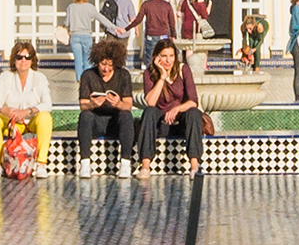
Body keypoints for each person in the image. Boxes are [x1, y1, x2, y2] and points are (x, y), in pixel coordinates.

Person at [76, 35, 143, 173]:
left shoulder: (123, 75)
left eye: (110, 65)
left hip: (116, 122)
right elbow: (83, 105)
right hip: (96, 121)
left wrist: (118, 103)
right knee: (85, 116)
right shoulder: (88, 75)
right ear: (96, 61)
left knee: (126, 115)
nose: (106, 69)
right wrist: (92, 104)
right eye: (103, 64)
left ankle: (125, 163)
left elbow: (128, 105)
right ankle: (85, 164)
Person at [0, 40, 51, 179]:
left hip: (30, 123)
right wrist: (3, 110)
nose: (23, 61)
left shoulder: (39, 78)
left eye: (27, 57)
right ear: (14, 59)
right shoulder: (5, 77)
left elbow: (47, 104)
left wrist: (27, 111)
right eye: (19, 57)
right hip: (10, 124)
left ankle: (41, 163)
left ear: (32, 60)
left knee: (45, 117)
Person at [139, 36, 206, 166]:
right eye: (164, 56)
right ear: (157, 57)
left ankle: (194, 165)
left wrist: (177, 109)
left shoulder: (183, 69)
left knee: (194, 112)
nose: (168, 60)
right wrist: (162, 77)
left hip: (181, 122)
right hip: (160, 123)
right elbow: (151, 102)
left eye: (171, 56)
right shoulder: (149, 73)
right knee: (149, 112)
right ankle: (145, 165)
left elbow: (193, 101)